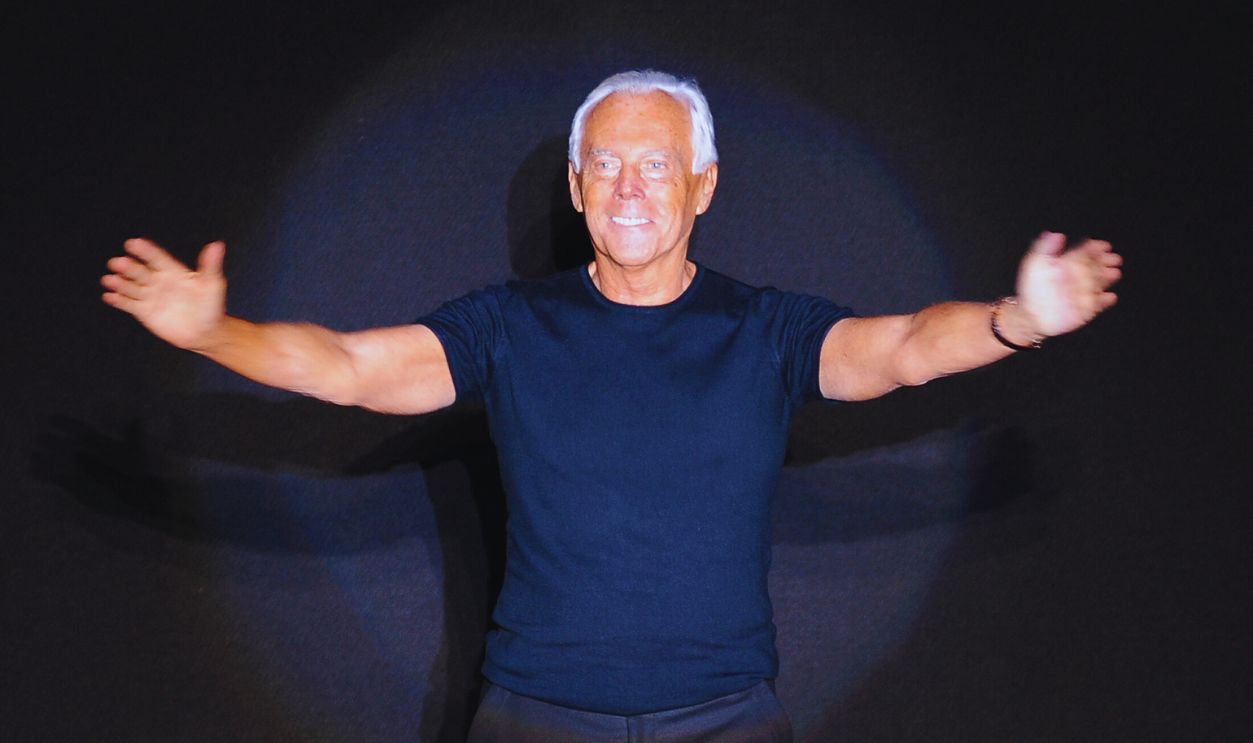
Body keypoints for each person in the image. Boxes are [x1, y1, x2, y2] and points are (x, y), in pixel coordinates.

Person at [102, 70, 1122, 742]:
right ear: (578, 187)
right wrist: (211, 336)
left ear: (703, 184)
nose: (631, 187)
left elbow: (899, 348)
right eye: (608, 164)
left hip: (727, 715)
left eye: (658, 163)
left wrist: (1015, 318)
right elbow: (349, 368)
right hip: (534, 715)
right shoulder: (507, 327)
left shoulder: (763, 329)